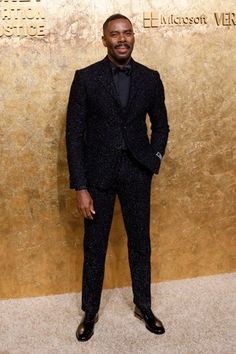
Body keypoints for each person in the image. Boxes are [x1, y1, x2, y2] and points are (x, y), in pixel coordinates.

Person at [66, 13, 169, 342]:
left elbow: (161, 126)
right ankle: (90, 311)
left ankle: (144, 305)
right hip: (98, 177)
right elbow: (74, 135)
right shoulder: (85, 78)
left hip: (137, 173)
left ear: (133, 37)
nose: (121, 38)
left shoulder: (151, 78)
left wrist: (153, 160)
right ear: (104, 39)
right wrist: (81, 186)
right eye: (115, 34)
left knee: (140, 242)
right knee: (95, 245)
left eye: (127, 33)